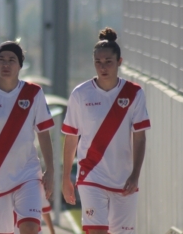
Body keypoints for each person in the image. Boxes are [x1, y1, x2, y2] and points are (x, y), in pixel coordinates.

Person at [61, 27, 151, 234]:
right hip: (91, 176)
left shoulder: (134, 93)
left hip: (124, 180)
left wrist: (135, 174)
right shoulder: (80, 94)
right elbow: (71, 137)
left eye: (108, 62)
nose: (103, 67)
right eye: (98, 62)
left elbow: (139, 138)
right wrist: (66, 177)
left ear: (119, 62)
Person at [0, 41, 55, 234]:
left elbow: (44, 134)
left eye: (11, 60)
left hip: (28, 174)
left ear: (20, 65)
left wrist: (50, 170)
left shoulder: (33, 93)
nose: (6, 64)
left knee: (30, 227)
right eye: (2, 60)